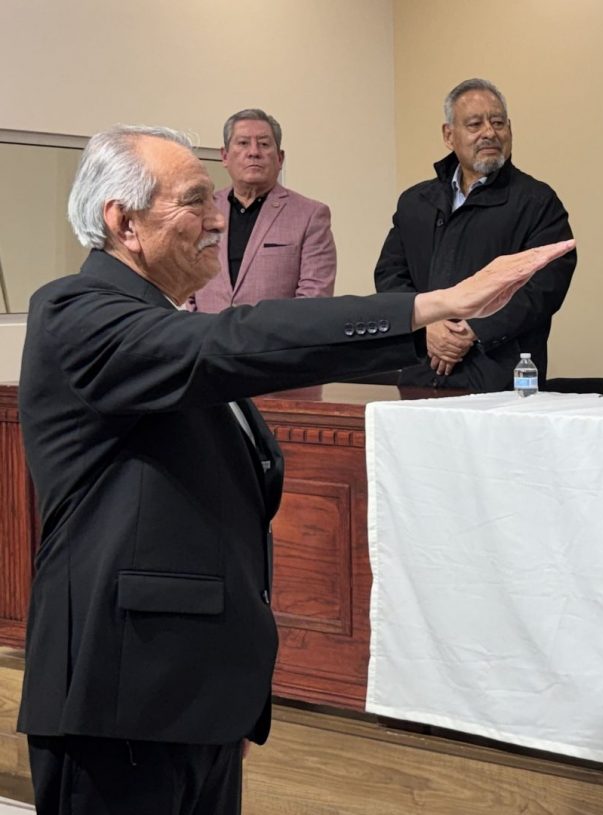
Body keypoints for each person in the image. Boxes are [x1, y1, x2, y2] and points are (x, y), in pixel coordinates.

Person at [16, 124, 573, 814]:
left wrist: (227, 694)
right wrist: (431, 305)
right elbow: (241, 337)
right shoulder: (77, 312)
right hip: (119, 699)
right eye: (195, 200)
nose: (218, 217)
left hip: (192, 700)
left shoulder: (162, 322)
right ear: (123, 222)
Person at [373, 78, 576, 391]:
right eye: (474, 124)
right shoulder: (416, 202)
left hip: (500, 377)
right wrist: (425, 325)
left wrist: (473, 330)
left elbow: (545, 286)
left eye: (498, 123)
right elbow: (390, 274)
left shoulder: (536, 201)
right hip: (422, 373)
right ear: (448, 135)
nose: (489, 133)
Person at [188, 108, 336, 311]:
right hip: (208, 330)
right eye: (243, 143)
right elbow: (187, 285)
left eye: (264, 144)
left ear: (280, 158)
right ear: (225, 156)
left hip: (275, 332)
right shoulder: (203, 211)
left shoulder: (310, 215)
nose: (254, 152)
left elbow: (314, 298)